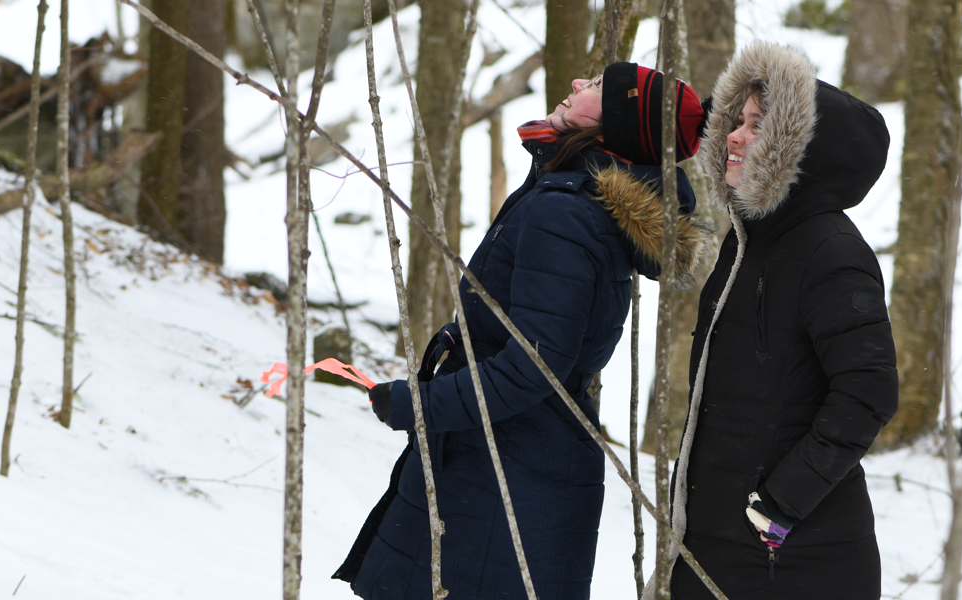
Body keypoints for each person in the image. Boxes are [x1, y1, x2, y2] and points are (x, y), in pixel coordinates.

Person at [333, 62, 711, 600]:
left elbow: (532, 368)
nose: (577, 83)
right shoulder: (570, 196)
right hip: (506, 459)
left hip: (503, 473)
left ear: (617, 128)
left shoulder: (567, 215)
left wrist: (418, 404)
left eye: (598, 87)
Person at [659, 42, 898, 599]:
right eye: (737, 122)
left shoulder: (832, 250)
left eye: (757, 126)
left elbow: (868, 391)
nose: (735, 138)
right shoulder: (749, 242)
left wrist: (778, 506)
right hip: (718, 541)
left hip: (793, 557)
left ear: (799, 149)